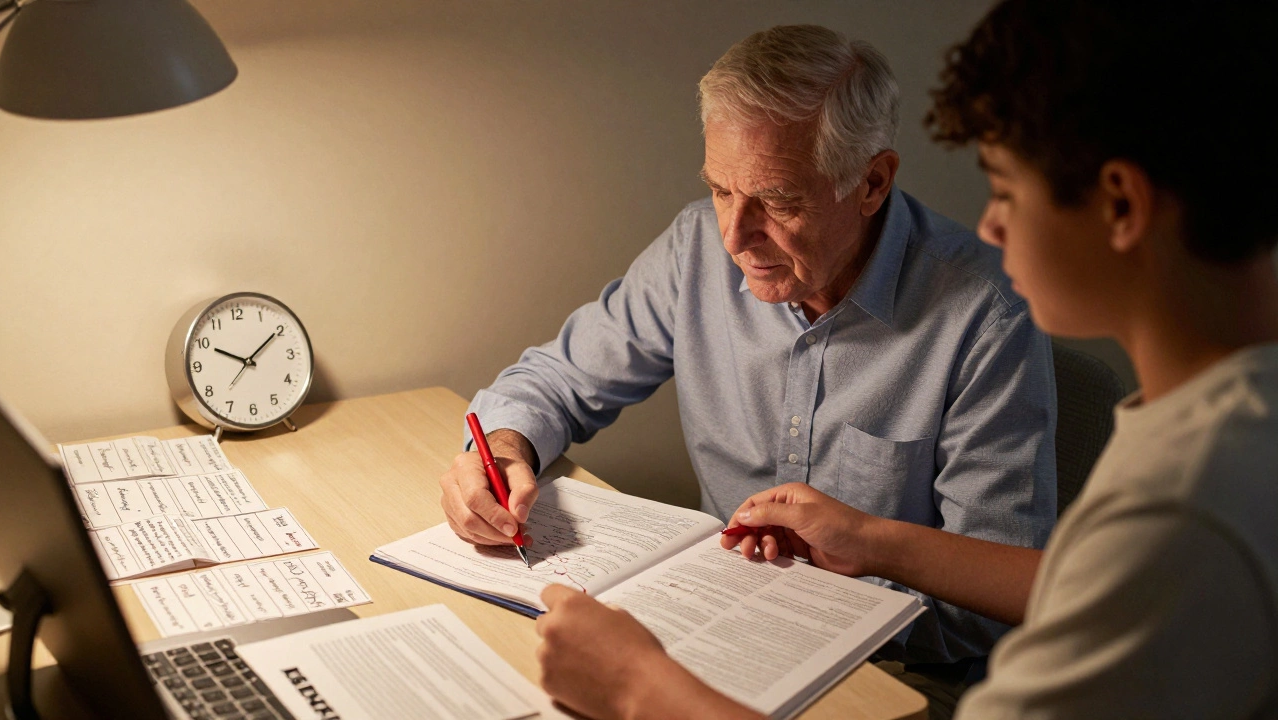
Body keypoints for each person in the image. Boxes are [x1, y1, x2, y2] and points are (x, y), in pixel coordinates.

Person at [532, 2, 1278, 719]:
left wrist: (637, 688)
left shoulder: (1185, 510)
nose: (987, 221)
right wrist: (871, 541)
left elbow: (1126, 578)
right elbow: (1087, 583)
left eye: (1006, 188)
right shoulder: (1220, 426)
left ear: (1120, 206)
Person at [441, 24, 1057, 680]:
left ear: (873, 182)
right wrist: (502, 450)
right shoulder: (697, 247)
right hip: (712, 637)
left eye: (779, 201)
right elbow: (557, 378)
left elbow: (998, 600)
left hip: (899, 677)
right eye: (721, 190)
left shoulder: (987, 313)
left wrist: (802, 614)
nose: (735, 236)